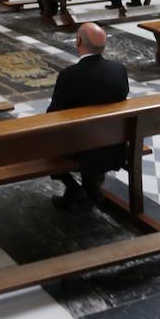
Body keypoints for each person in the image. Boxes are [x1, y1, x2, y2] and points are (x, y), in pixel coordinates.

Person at [47, 22, 129, 208]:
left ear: (77, 41)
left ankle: (74, 189)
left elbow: (53, 115)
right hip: (113, 143)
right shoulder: (118, 69)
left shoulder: (70, 75)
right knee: (93, 131)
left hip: (80, 147)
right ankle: (92, 186)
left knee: (45, 141)